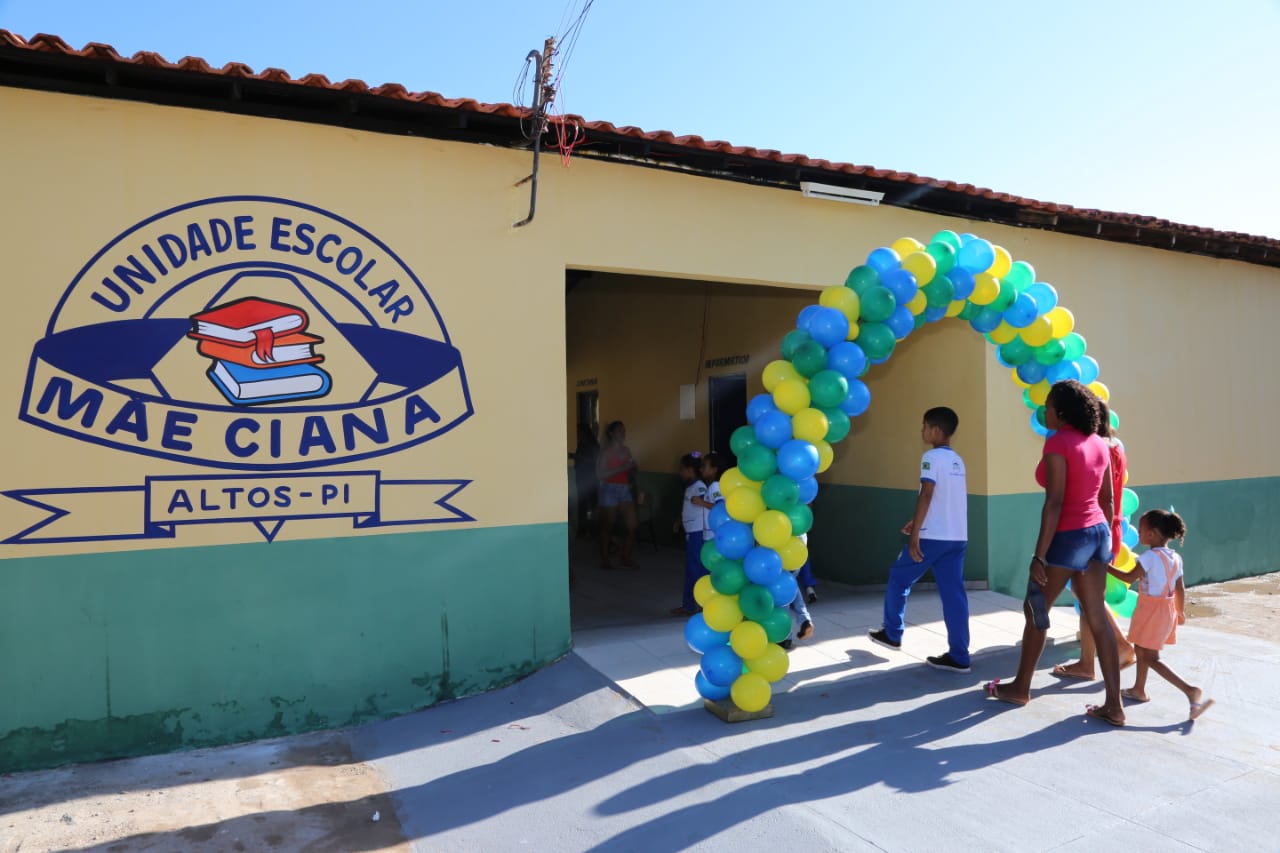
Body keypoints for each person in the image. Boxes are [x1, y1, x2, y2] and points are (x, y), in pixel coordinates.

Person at [985, 380, 1126, 726]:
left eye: (1047, 406)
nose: (1043, 411)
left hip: (1070, 535)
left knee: (1035, 607)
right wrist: (1103, 543)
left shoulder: (1058, 443)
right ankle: (1114, 705)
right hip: (1097, 534)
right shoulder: (1099, 443)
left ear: (1061, 411)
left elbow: (1055, 502)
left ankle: (1019, 687)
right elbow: (1107, 500)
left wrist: (1039, 556)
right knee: (1096, 616)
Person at [868, 407, 971, 672]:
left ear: (936, 430)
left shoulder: (930, 457)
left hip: (932, 538)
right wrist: (918, 522)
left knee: (898, 578)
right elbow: (944, 500)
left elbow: (927, 494)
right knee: (954, 595)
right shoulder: (958, 460)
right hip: (956, 537)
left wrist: (915, 536)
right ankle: (960, 656)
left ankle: (892, 633)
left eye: (924, 426)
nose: (922, 431)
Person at [1052, 399, 1137, 679]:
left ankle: (1121, 646)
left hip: (1091, 527)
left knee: (1089, 597)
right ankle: (1087, 662)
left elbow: (1100, 494)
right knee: (1085, 594)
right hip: (1107, 525)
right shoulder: (1115, 447)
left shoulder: (1097, 447)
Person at [1108, 509, 1213, 720]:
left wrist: (1105, 568)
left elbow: (1128, 577)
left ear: (1153, 534)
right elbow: (1180, 588)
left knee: (1151, 658)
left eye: (1142, 528)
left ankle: (1190, 690)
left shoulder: (1148, 557)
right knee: (1140, 647)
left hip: (1150, 610)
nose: (1138, 531)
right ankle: (1138, 689)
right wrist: (1180, 612)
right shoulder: (1176, 557)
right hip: (1166, 609)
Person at [596, 420, 639, 570]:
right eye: (620, 430)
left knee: (632, 525)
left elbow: (629, 468)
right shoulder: (606, 452)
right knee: (607, 526)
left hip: (624, 489)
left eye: (624, 430)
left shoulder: (627, 450)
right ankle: (605, 559)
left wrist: (633, 468)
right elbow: (600, 475)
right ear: (612, 433)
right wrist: (622, 468)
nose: (623, 433)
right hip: (608, 489)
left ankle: (625, 557)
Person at [671, 452, 708, 616]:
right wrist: (679, 521)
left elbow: (704, 501)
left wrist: (700, 500)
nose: (680, 472)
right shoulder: (689, 486)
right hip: (691, 532)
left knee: (696, 570)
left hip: (697, 533)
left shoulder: (699, 486)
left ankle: (697, 605)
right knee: (690, 569)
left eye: (682, 469)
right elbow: (687, 508)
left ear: (690, 470)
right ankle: (688, 605)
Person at [572, 424, 600, 539]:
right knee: (583, 506)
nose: (578, 434)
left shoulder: (592, 444)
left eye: (579, 432)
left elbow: (595, 459)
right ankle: (584, 531)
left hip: (590, 480)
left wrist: (577, 456)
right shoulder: (582, 444)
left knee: (591, 507)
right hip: (582, 479)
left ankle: (593, 531)